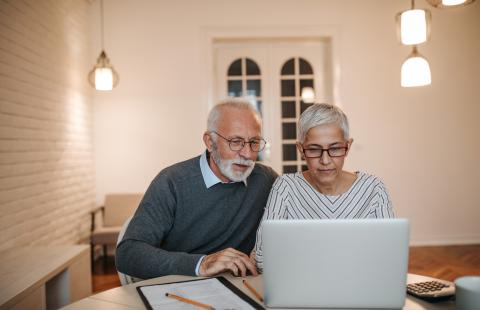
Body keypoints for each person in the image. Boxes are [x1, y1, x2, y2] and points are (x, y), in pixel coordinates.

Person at [116, 99, 278, 279]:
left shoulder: (265, 179)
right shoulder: (172, 182)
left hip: (242, 287)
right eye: (236, 141)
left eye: (254, 142)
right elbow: (128, 253)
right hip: (180, 289)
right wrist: (201, 263)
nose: (247, 154)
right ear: (210, 142)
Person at [253, 103, 394, 271]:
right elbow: (261, 258)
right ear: (301, 149)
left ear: (347, 146)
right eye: (314, 150)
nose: (325, 160)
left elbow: (390, 257)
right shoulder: (285, 187)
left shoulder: (374, 189)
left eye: (335, 148)